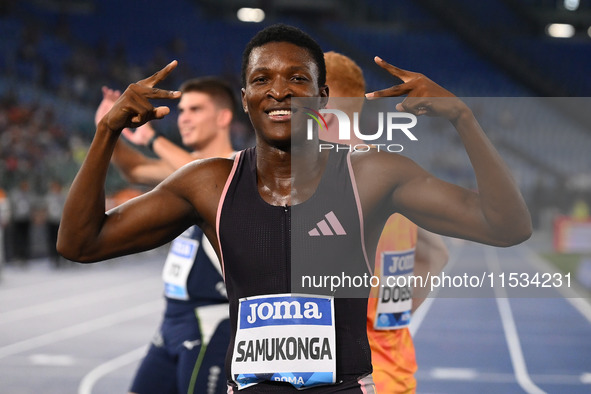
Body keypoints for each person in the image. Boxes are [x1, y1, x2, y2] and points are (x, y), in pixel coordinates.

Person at [58, 24, 531, 393]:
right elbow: (80, 242)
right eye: (261, 79)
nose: (279, 91)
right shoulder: (209, 183)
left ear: (321, 97)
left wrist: (463, 118)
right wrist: (107, 131)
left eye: (298, 78)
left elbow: (506, 226)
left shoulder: (372, 175)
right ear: (245, 99)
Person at [94, 77, 237, 394]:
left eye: (195, 109)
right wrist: (108, 129)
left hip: (213, 318)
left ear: (224, 117)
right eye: (182, 109)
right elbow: (135, 170)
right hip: (173, 316)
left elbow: (203, 176)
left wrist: (151, 137)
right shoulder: (181, 170)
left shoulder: (240, 166)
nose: (183, 117)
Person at [323, 51, 449, 393]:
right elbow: (436, 255)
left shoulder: (325, 180)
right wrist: (389, 319)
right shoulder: (395, 174)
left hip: (346, 380)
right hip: (394, 374)